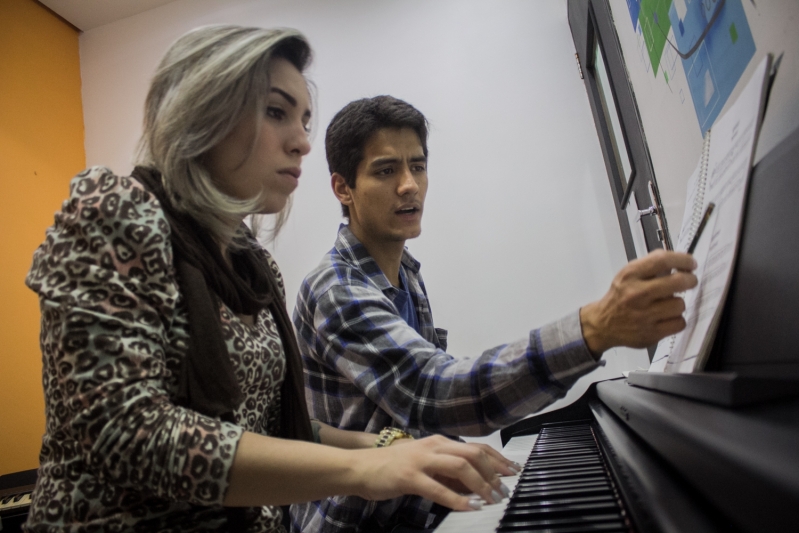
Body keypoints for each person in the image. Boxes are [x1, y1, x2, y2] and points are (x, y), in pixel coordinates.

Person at [23, 27, 517, 533]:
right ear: (202, 113)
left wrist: (392, 449)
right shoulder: (112, 213)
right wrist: (364, 469)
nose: (302, 142)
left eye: (303, 119)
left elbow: (276, 430)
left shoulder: (255, 267)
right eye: (276, 113)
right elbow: (124, 433)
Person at [291, 95, 698, 532]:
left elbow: (420, 416)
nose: (409, 185)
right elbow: (437, 392)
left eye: (419, 166)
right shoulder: (337, 291)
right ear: (343, 188)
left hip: (412, 508)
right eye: (386, 170)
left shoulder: (404, 272)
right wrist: (594, 328)